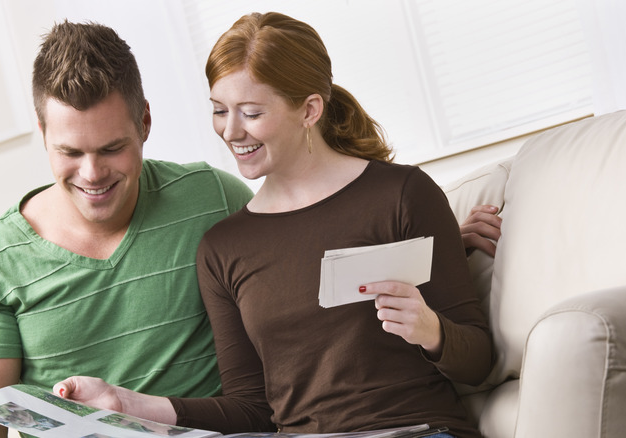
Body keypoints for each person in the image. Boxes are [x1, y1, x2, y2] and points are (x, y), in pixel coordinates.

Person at [55, 12, 494, 438]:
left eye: (250, 112)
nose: (230, 131)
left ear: (309, 110)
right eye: (219, 110)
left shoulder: (401, 195)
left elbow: (478, 360)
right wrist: (124, 403)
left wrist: (430, 330)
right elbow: (252, 409)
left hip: (416, 430)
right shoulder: (224, 247)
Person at [0, 21, 254, 437]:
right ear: (44, 134)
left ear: (144, 122)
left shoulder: (215, 200)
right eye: (70, 152)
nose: (92, 174)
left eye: (112, 148)